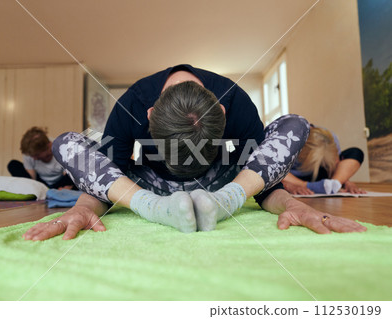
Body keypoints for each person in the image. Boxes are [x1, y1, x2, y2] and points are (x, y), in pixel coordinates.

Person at [23, 64, 366, 241]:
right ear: (151, 115)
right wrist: (83, 209)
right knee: (67, 142)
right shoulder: (132, 105)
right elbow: (105, 179)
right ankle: (156, 210)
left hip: (222, 184)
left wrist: (293, 205)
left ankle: (225, 201)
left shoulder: (236, 102)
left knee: (295, 123)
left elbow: (264, 180)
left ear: (223, 114)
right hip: (148, 186)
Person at [282, 126, 366, 195]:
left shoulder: (331, 138)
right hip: (293, 176)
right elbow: (273, 172)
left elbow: (335, 166)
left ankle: (333, 184)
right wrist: (288, 185)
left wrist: (345, 181)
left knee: (355, 152)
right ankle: (315, 186)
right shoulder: (286, 141)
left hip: (321, 177)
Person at [8, 127, 76, 190]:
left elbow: (67, 176)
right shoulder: (29, 152)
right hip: (41, 183)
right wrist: (33, 188)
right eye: (32, 156)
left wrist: (67, 187)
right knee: (13, 165)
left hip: (59, 183)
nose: (34, 158)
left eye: (37, 155)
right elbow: (31, 179)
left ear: (49, 146)